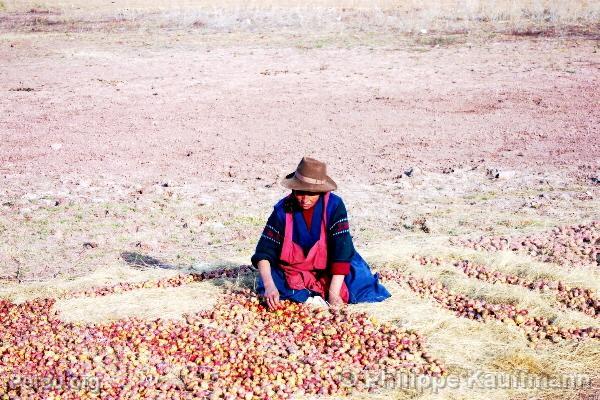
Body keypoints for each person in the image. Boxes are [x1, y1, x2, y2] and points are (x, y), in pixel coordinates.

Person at [251, 157, 391, 309]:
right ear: (293, 189)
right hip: (295, 270)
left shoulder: (334, 206)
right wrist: (269, 286)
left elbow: (341, 250)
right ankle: (308, 297)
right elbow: (264, 252)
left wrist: (333, 293)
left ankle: (316, 295)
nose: (305, 200)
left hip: (330, 267)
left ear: (322, 192)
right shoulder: (282, 210)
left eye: (312, 194)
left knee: (358, 281)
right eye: (300, 193)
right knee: (271, 282)